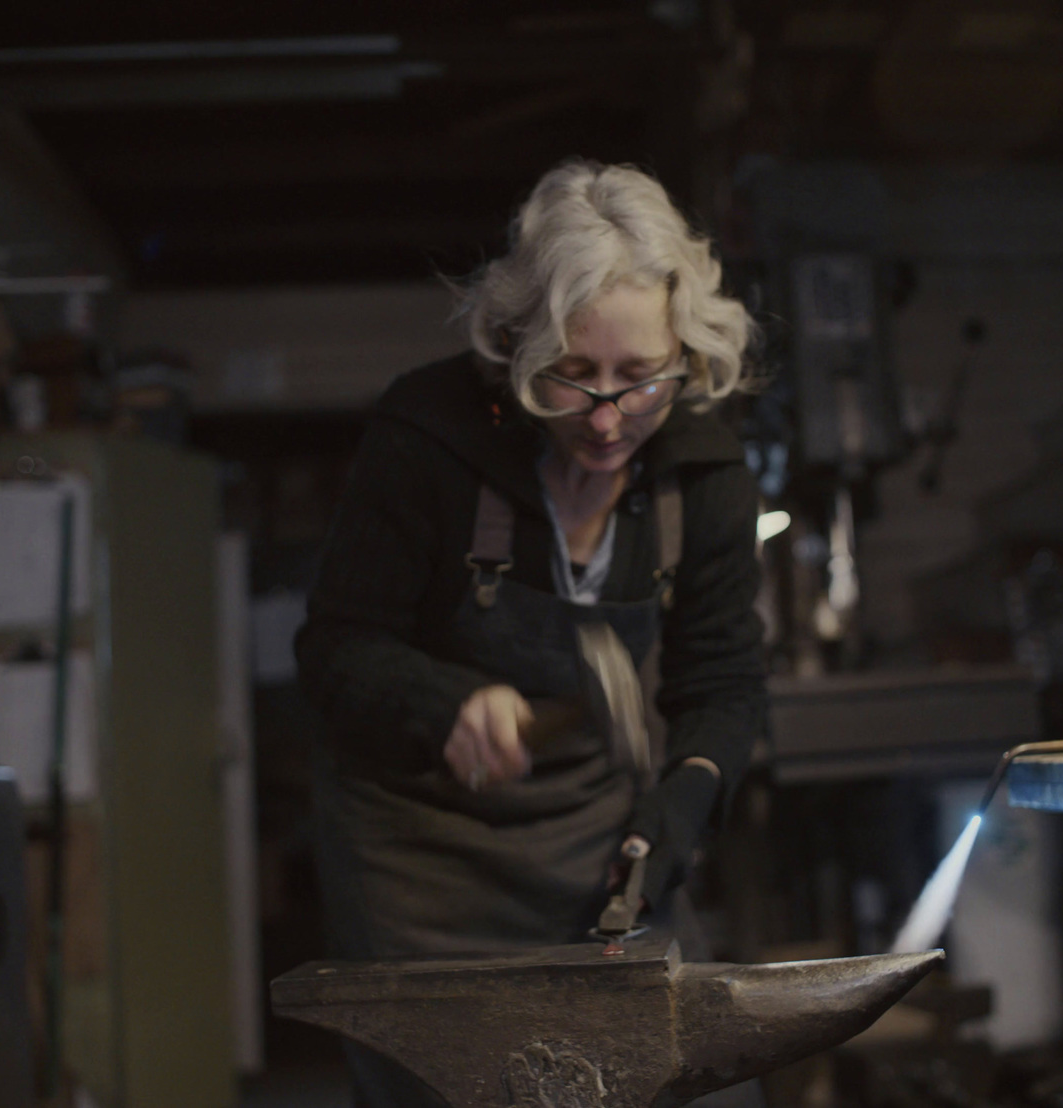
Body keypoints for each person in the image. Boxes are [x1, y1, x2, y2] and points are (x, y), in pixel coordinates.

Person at [294, 159, 767, 1107]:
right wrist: (444, 701)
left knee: (695, 1084)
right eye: (571, 375)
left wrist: (681, 806)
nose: (606, 418)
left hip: (596, 848)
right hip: (418, 862)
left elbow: (720, 686)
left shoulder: (703, 477)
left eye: (641, 380)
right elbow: (333, 647)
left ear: (686, 353)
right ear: (517, 346)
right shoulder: (427, 442)